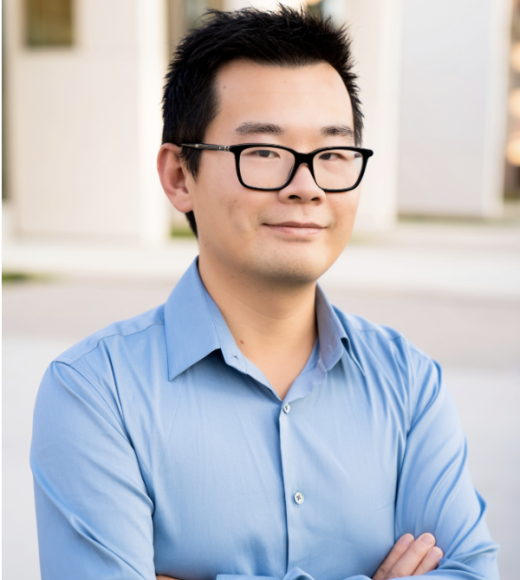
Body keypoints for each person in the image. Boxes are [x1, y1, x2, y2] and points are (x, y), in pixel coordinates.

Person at [30, 6, 499, 580]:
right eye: (265, 154)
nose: (306, 187)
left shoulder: (408, 382)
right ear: (180, 176)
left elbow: (472, 571)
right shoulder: (96, 393)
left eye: (332, 154)